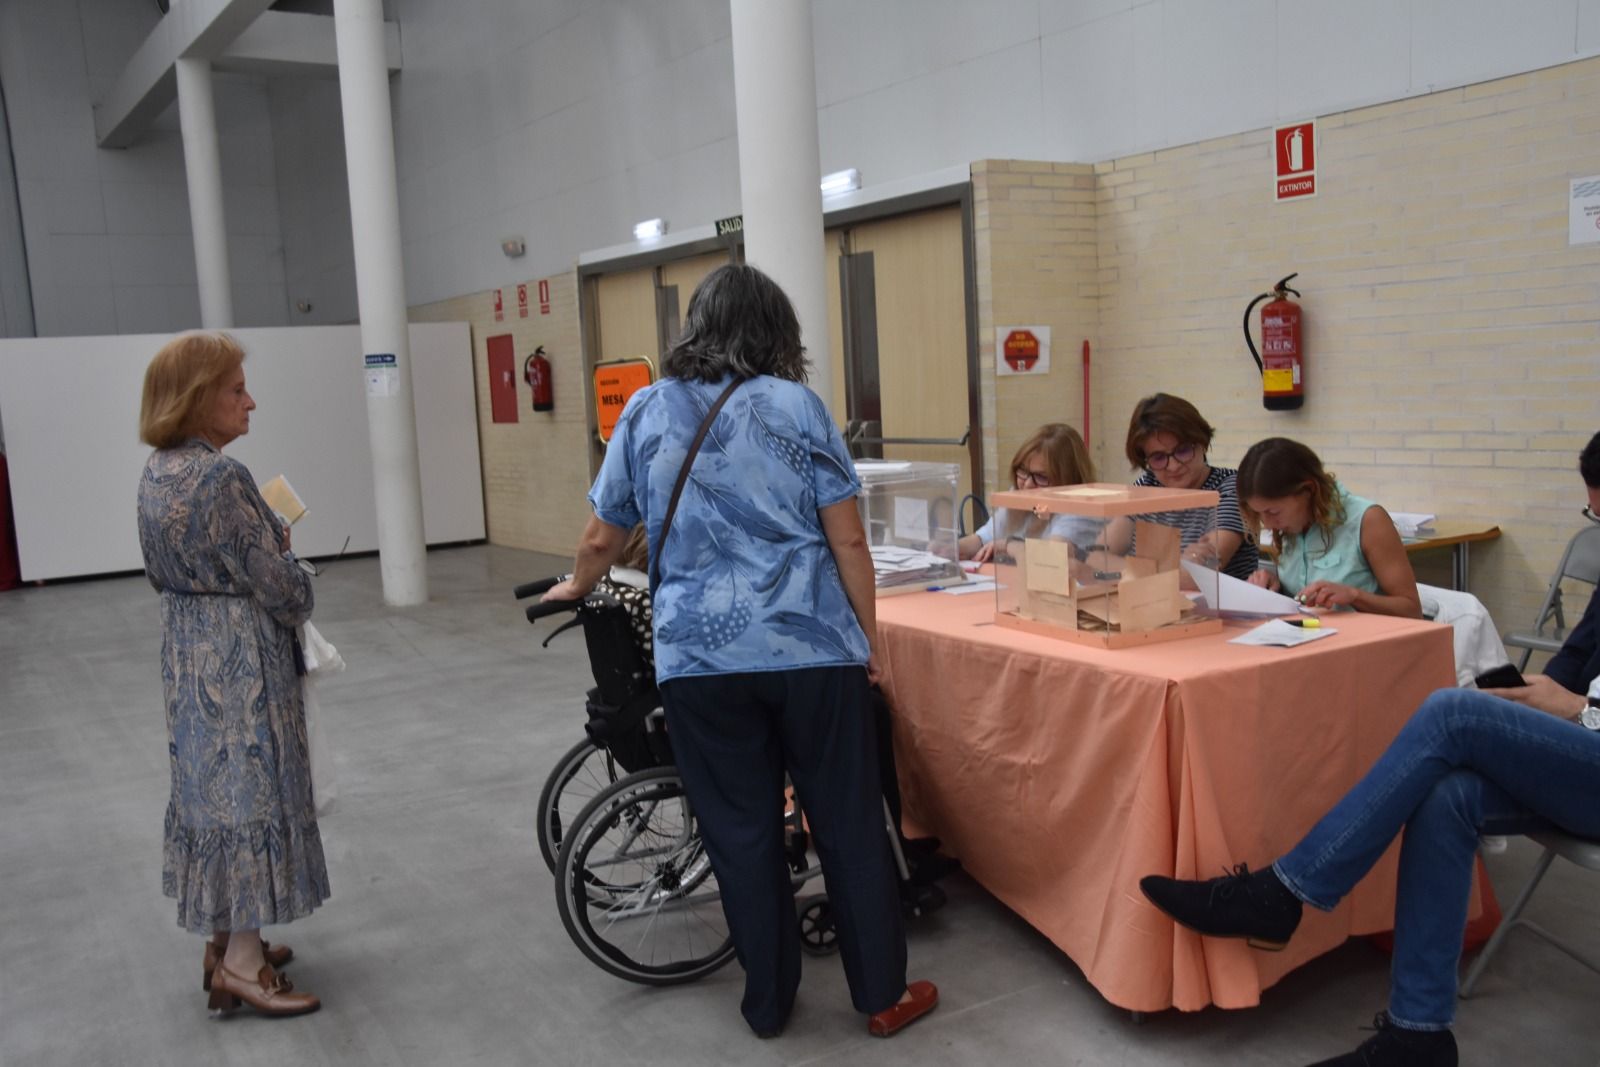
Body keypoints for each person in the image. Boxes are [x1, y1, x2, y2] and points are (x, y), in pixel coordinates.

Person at [543, 264, 938, 1040]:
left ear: (695, 325)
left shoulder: (648, 410)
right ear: (777, 332)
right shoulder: (799, 407)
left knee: (742, 830)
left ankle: (768, 1003)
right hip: (812, 651)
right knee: (848, 823)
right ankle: (882, 996)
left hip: (701, 662)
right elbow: (848, 537)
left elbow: (602, 534)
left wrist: (575, 584)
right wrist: (869, 638)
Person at [1140, 431, 1600, 1067]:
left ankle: (1286, 890)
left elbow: (1573, 691)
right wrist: (1538, 695)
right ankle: (1419, 1037)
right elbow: (1579, 655)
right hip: (1579, 747)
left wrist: (1582, 708)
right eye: (1594, 515)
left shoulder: (1363, 519)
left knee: (1447, 710)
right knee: (1446, 797)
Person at [136, 331, 325, 1017]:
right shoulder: (221, 477)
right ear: (196, 398)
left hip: (189, 654)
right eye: (235, 390)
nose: (251, 402)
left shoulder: (158, 470)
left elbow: (163, 567)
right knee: (251, 792)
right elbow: (279, 587)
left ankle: (226, 937)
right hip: (240, 663)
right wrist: (291, 560)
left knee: (212, 797)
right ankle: (243, 966)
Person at [1237, 437, 1422, 618]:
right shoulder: (1290, 527)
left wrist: (1354, 596)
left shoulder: (1367, 520)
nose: (1268, 524)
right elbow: (1301, 599)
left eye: (1274, 512)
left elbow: (1411, 610)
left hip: (1366, 642)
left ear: (1309, 490)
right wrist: (1274, 586)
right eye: (1259, 513)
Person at [1106, 393, 1260, 580]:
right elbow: (1099, 557)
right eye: (1159, 457)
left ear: (1202, 443)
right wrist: (1176, 565)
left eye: (1183, 450)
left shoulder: (1230, 488)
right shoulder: (1146, 485)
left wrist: (1132, 569)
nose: (1173, 466)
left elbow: (1201, 574)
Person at [959, 423, 1097, 564]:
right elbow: (983, 538)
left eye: (1042, 477)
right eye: (1023, 471)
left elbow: (1051, 560)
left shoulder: (1081, 509)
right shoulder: (1022, 495)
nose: (1027, 484)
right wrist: (950, 547)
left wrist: (1008, 545)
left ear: (1068, 479)